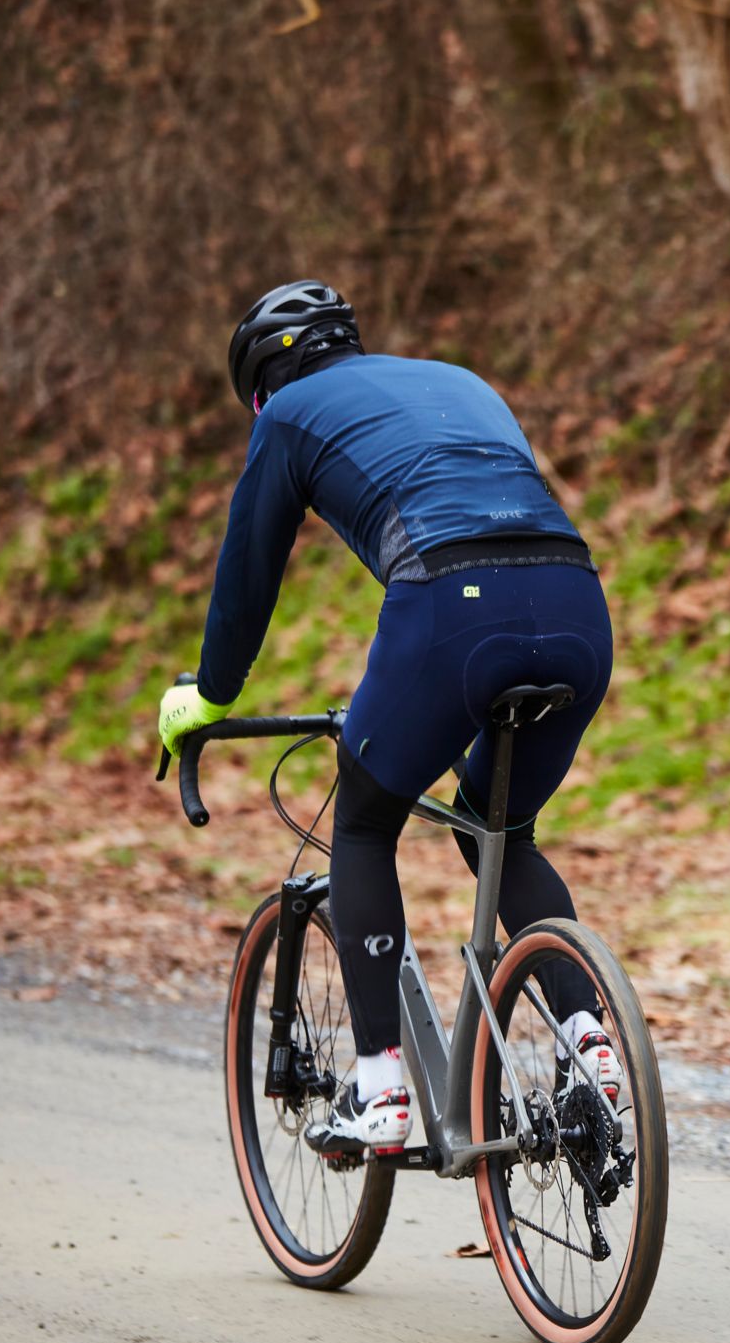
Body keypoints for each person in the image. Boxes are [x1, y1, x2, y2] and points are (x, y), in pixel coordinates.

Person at [158, 280, 618, 1158]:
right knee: (498, 829)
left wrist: (211, 696)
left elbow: (247, 577)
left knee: (366, 819)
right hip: (576, 604)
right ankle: (591, 1042)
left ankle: (380, 1088)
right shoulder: (461, 378)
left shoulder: (288, 412)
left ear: (263, 378)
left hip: (452, 608)